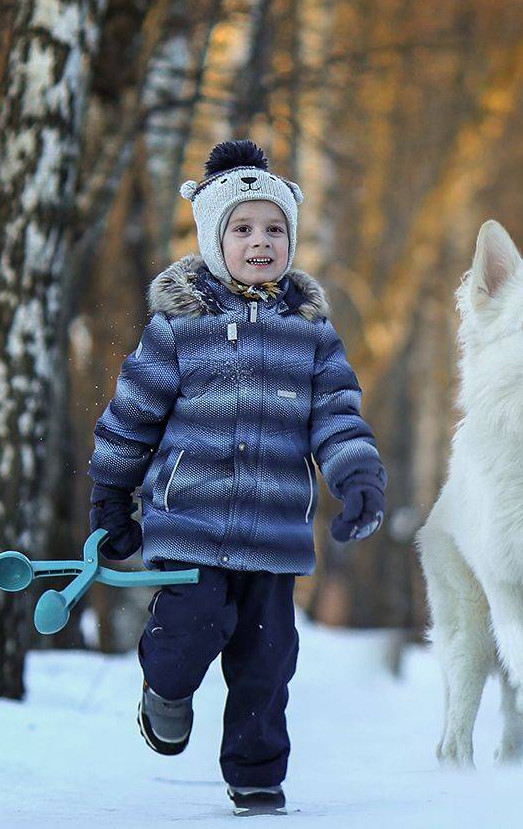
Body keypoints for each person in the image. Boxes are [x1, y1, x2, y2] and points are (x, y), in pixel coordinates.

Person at [87, 139, 386, 816]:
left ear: (292, 239)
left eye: (274, 228)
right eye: (243, 228)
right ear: (214, 240)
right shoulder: (177, 331)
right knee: (189, 629)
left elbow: (337, 417)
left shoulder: (311, 336)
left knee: (268, 660)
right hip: (189, 526)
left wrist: (357, 477)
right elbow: (131, 417)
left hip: (275, 536)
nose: (261, 242)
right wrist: (111, 496)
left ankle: (257, 774)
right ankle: (165, 686)